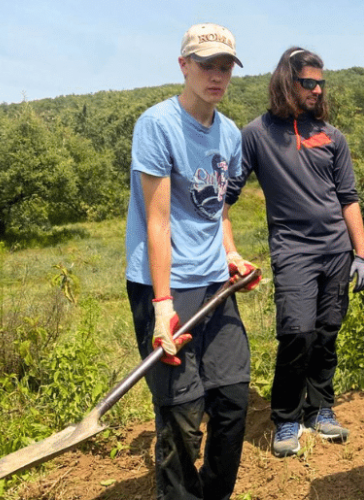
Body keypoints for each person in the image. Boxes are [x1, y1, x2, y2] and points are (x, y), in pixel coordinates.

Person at [124, 23, 258, 500]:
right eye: (206, 65)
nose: (216, 76)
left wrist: (231, 253)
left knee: (233, 399)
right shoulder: (157, 125)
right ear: (184, 65)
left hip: (214, 283)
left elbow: (218, 211)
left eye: (225, 67)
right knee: (182, 412)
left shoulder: (230, 133)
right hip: (164, 285)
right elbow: (157, 221)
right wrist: (162, 306)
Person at [224, 47, 364, 457]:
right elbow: (226, 199)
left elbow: (348, 198)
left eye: (321, 83)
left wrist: (361, 254)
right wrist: (229, 250)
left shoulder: (332, 136)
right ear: (287, 82)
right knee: (297, 334)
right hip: (293, 252)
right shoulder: (256, 134)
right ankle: (287, 417)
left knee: (326, 334)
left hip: (337, 251)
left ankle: (320, 409)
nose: (317, 90)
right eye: (308, 83)